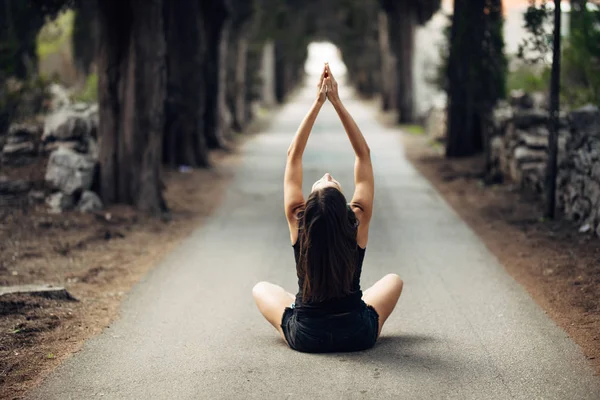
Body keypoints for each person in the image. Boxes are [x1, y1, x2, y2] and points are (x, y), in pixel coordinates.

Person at [252, 63, 403, 353]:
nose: (327, 176)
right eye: (330, 182)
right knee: (393, 281)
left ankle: (298, 305)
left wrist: (318, 102)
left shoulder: (299, 222)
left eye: (324, 181)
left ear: (308, 209)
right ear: (344, 208)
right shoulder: (356, 220)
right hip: (357, 332)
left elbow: (293, 156)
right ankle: (331, 307)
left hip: (308, 336)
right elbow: (363, 155)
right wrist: (337, 101)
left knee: (261, 289)